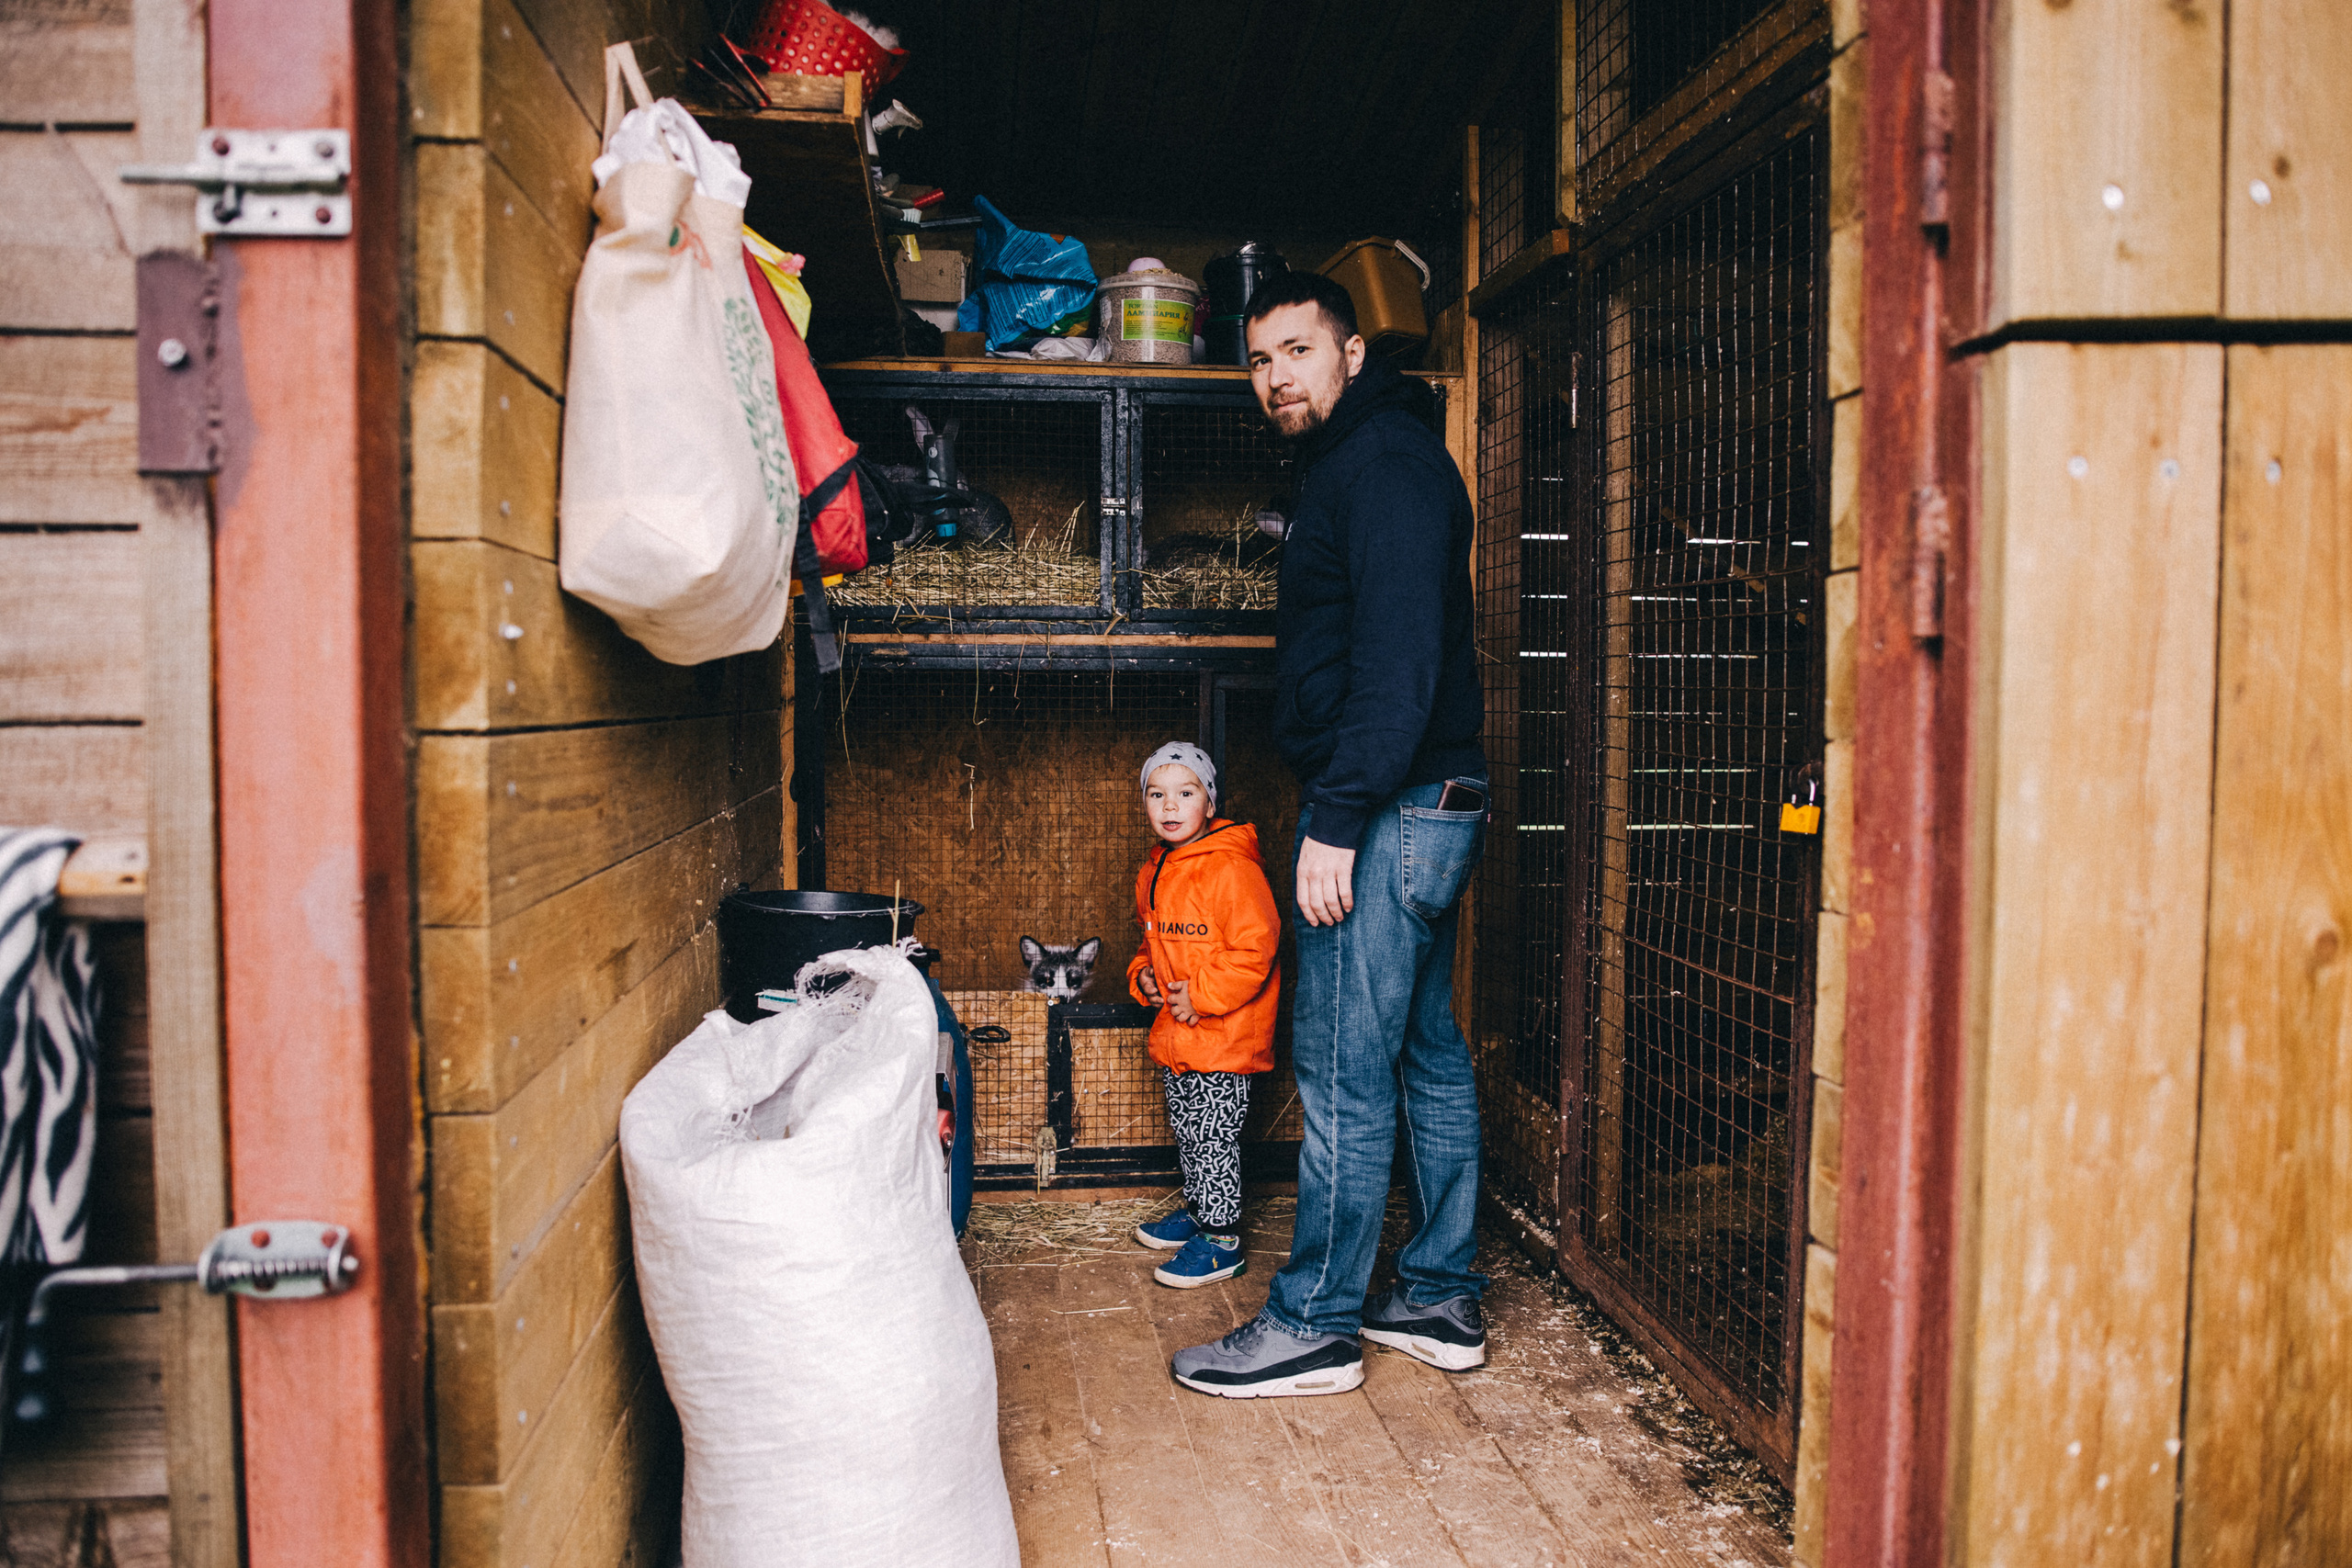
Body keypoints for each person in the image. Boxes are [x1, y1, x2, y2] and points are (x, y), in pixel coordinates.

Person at [1170, 271, 1489, 1400]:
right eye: (1259, 360)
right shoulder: (1359, 462)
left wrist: (1339, 819)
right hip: (1424, 799)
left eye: (1297, 351)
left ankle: (1314, 1323)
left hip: (1389, 805)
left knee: (1345, 1067)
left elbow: (1398, 664)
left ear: (1352, 355)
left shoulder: (1384, 466)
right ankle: (1439, 1294)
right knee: (1423, 1050)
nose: (1275, 378)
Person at [1123, 742, 1282, 1289]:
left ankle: (1222, 1241)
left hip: (1224, 1036)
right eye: (1157, 794)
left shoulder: (1232, 868)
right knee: (1190, 1132)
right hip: (1181, 1036)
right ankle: (1201, 1211)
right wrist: (1143, 976)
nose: (1170, 805)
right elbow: (1151, 946)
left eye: (1186, 793)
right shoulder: (1155, 870)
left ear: (1209, 803)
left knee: (1213, 1138)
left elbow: (1256, 949)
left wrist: (1202, 995)